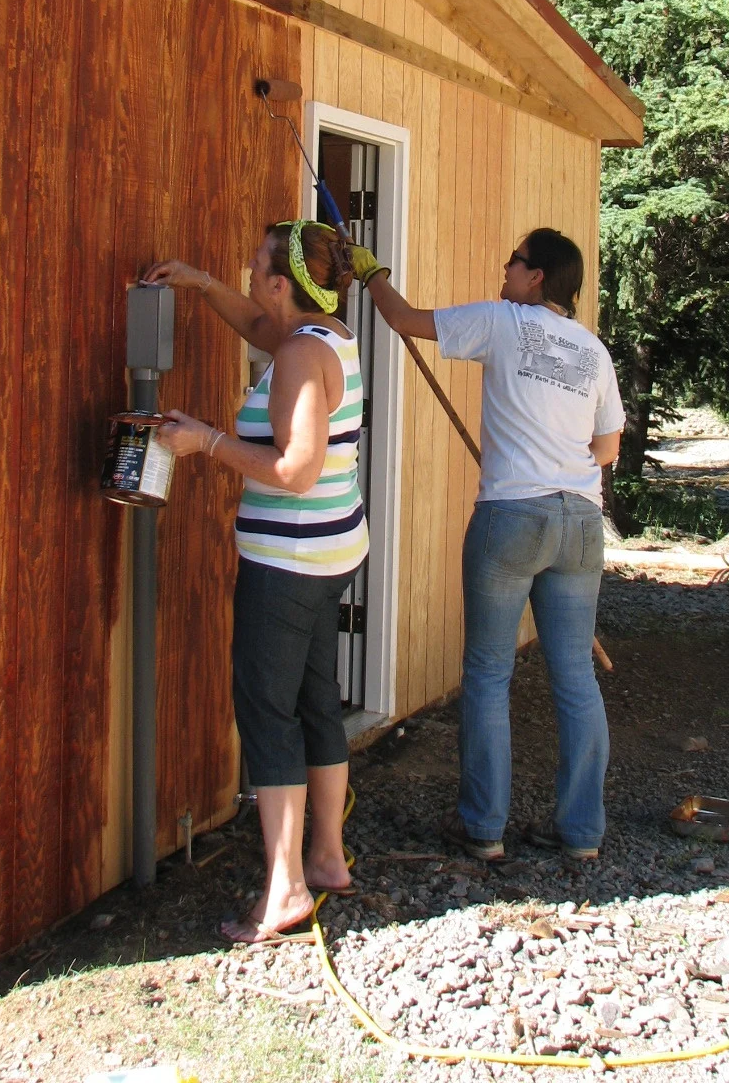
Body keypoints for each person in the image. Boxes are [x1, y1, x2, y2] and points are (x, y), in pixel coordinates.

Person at [352, 228, 624, 865]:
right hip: (581, 523)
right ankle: (582, 834)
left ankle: (485, 829)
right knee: (576, 679)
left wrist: (370, 275)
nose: (505, 266)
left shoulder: (504, 321)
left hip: (512, 519)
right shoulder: (593, 350)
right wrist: (561, 464)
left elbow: (403, 319)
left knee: (488, 675)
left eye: (516, 260)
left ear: (536, 278)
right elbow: (607, 449)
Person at [145, 221, 366, 941]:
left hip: (289, 562)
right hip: (331, 554)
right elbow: (258, 326)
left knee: (268, 714)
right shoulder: (323, 337)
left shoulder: (300, 359)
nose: (245, 275)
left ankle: (285, 888)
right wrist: (202, 284)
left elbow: (295, 473)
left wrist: (204, 442)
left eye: (254, 270)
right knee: (316, 702)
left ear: (282, 285)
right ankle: (327, 857)